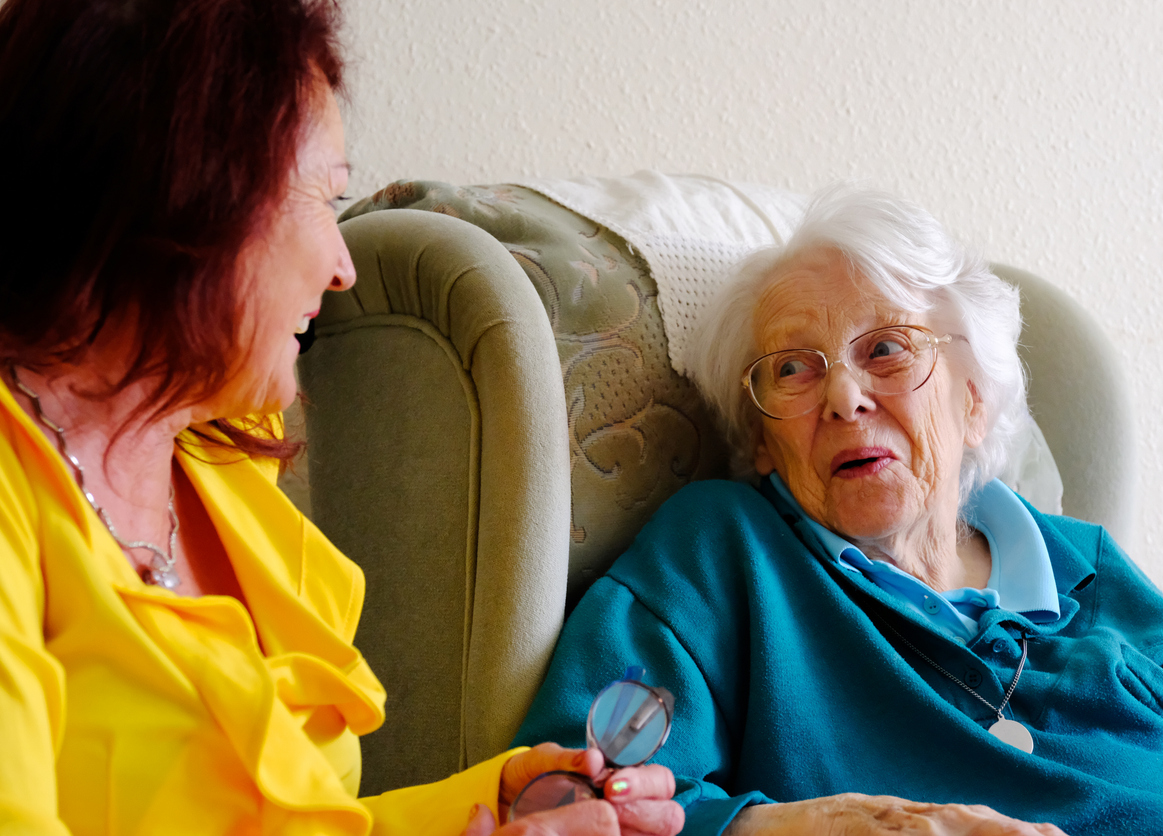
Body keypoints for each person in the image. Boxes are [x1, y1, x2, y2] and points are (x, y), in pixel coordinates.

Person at [0, 1, 685, 835]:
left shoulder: (220, 473)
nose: (343, 267)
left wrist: (493, 803)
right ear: (187, 195)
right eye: (325, 199)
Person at [513, 184, 1163, 835]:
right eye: (792, 369)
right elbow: (574, 803)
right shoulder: (726, 555)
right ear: (762, 441)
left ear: (971, 401)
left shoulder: (1083, 568)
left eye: (888, 349)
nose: (843, 397)